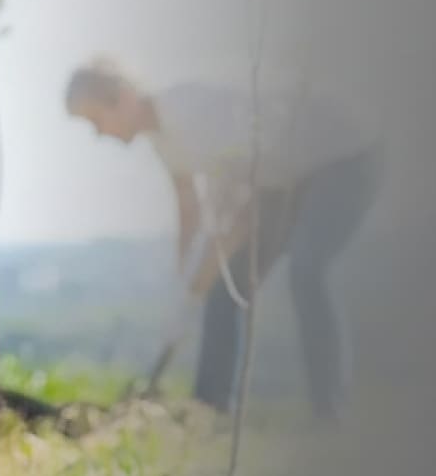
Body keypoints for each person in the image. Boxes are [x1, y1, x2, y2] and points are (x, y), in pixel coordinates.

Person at [65, 55, 382, 425]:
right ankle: (210, 410)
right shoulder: (163, 139)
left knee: (307, 269)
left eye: (96, 121)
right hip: (284, 181)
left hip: (344, 158)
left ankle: (330, 410)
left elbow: (243, 216)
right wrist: (184, 286)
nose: (99, 134)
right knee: (222, 291)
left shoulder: (194, 115)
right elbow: (190, 211)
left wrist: (199, 281)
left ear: (121, 98)